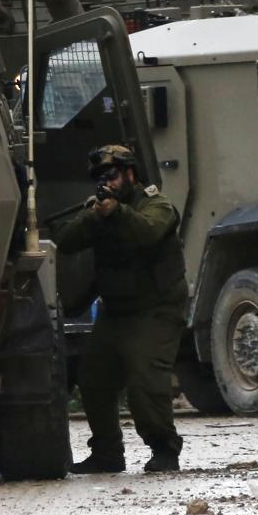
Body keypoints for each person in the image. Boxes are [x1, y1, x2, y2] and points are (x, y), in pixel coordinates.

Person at [55, 144, 188, 473]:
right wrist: (94, 216)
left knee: (145, 379)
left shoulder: (156, 204)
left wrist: (117, 212)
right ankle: (107, 452)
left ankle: (164, 449)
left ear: (130, 174)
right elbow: (67, 241)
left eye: (112, 176)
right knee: (94, 377)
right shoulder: (101, 212)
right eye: (101, 179)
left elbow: (148, 233)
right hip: (117, 310)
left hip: (157, 308)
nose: (107, 183)